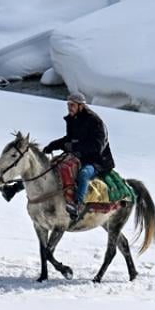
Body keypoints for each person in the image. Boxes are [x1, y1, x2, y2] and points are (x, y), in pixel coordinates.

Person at [42, 92, 114, 223]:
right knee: (51, 167)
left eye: (72, 105)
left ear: (81, 106)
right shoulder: (72, 119)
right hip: (78, 156)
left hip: (97, 160)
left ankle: (77, 204)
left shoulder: (95, 121)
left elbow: (97, 146)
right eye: (68, 104)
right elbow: (69, 139)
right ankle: (16, 188)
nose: (69, 107)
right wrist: (52, 146)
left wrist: (75, 147)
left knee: (83, 174)